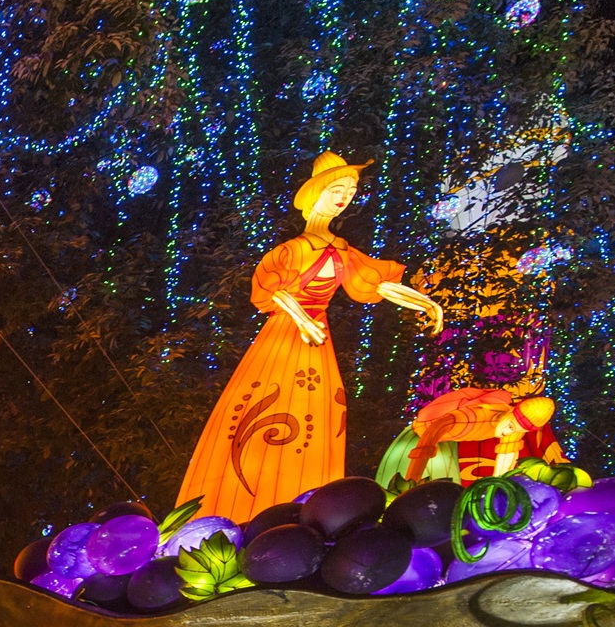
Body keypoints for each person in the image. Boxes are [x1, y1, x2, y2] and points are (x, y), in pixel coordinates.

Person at [178, 153, 442, 523]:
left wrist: (423, 302)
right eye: (337, 189)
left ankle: (310, 512)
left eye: (350, 191)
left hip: (317, 340)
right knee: (269, 408)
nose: (344, 197)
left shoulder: (343, 250)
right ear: (316, 193)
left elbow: (377, 284)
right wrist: (301, 317)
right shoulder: (293, 250)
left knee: (318, 414)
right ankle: (244, 509)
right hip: (285, 337)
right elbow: (270, 290)